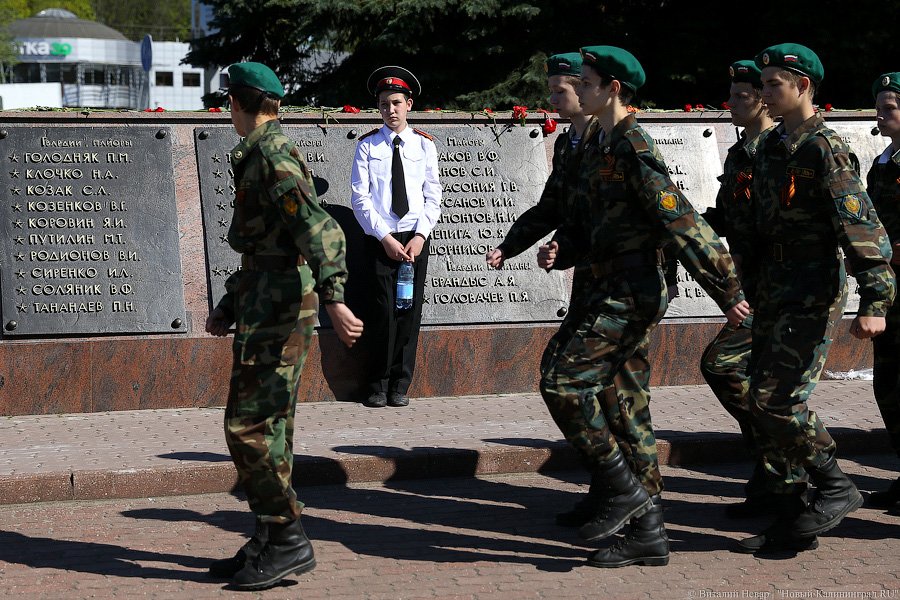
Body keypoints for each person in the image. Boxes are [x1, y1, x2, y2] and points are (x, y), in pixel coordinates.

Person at [548, 45, 749, 568]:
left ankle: (624, 491)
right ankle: (648, 528)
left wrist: (728, 293)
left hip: (632, 290)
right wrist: (563, 249)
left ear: (613, 88)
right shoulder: (599, 143)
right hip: (604, 283)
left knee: (564, 381)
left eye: (587, 81)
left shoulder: (633, 147)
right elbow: (595, 222)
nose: (579, 87)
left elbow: (682, 224)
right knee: (622, 401)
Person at [728, 43, 895, 552]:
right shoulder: (774, 146)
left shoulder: (826, 148)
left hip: (810, 290)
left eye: (774, 84)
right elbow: (754, 222)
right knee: (763, 403)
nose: (764, 94)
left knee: (776, 401)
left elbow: (862, 230)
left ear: (802, 87)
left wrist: (875, 302)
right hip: (773, 288)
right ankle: (792, 515)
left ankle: (837, 484)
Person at [485, 52, 663, 530]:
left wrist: (729, 293)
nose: (557, 98)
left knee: (624, 399)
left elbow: (669, 222)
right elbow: (560, 210)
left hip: (627, 288)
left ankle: (644, 505)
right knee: (600, 394)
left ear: (599, 91)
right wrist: (521, 244)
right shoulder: (575, 145)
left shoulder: (622, 144)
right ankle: (612, 493)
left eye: (565, 89)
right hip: (595, 279)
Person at [205, 62, 364, 590]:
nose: (226, 109)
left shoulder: (271, 156)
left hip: (279, 310)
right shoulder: (259, 152)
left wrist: (336, 298)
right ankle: (269, 538)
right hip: (261, 300)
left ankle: (288, 538)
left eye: (229, 100)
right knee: (268, 428)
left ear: (242, 102)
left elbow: (321, 230)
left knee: (248, 427)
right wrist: (230, 303)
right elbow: (264, 242)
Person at [698, 59, 810, 529]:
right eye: (734, 94)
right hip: (756, 281)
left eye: (744, 95)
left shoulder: (776, 150)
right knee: (752, 381)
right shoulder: (740, 153)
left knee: (731, 368)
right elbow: (732, 218)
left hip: (778, 284)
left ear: (765, 99)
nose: (733, 102)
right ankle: (772, 472)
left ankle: (795, 469)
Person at [350, 65, 441, 409]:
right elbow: (360, 198)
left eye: (397, 103)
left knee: (408, 310)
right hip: (381, 238)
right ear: (379, 108)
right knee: (381, 311)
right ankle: (377, 383)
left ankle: (401, 383)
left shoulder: (425, 145)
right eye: (385, 104)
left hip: (415, 238)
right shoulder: (367, 146)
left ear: (409, 105)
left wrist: (419, 236)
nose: (391, 110)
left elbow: (433, 195)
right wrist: (385, 237)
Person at [864, 71, 900, 509]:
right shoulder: (884, 163)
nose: (881, 115)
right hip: (889, 292)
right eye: (879, 107)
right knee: (888, 383)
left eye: (889, 108)